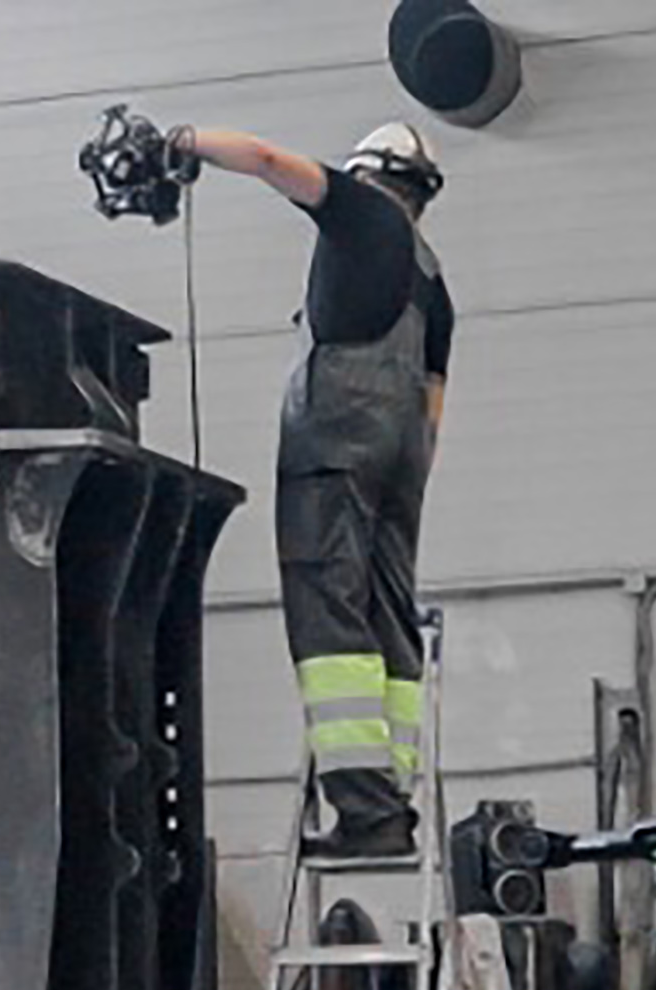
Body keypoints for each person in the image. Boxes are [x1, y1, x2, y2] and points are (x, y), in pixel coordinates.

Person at [177, 121, 454, 859]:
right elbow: (433, 400)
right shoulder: (432, 281)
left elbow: (269, 160)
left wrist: (187, 140)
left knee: (328, 606)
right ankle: (393, 795)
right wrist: (405, 483)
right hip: (402, 462)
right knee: (388, 613)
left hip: (334, 444)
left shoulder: (359, 213)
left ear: (369, 174)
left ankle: (366, 811)